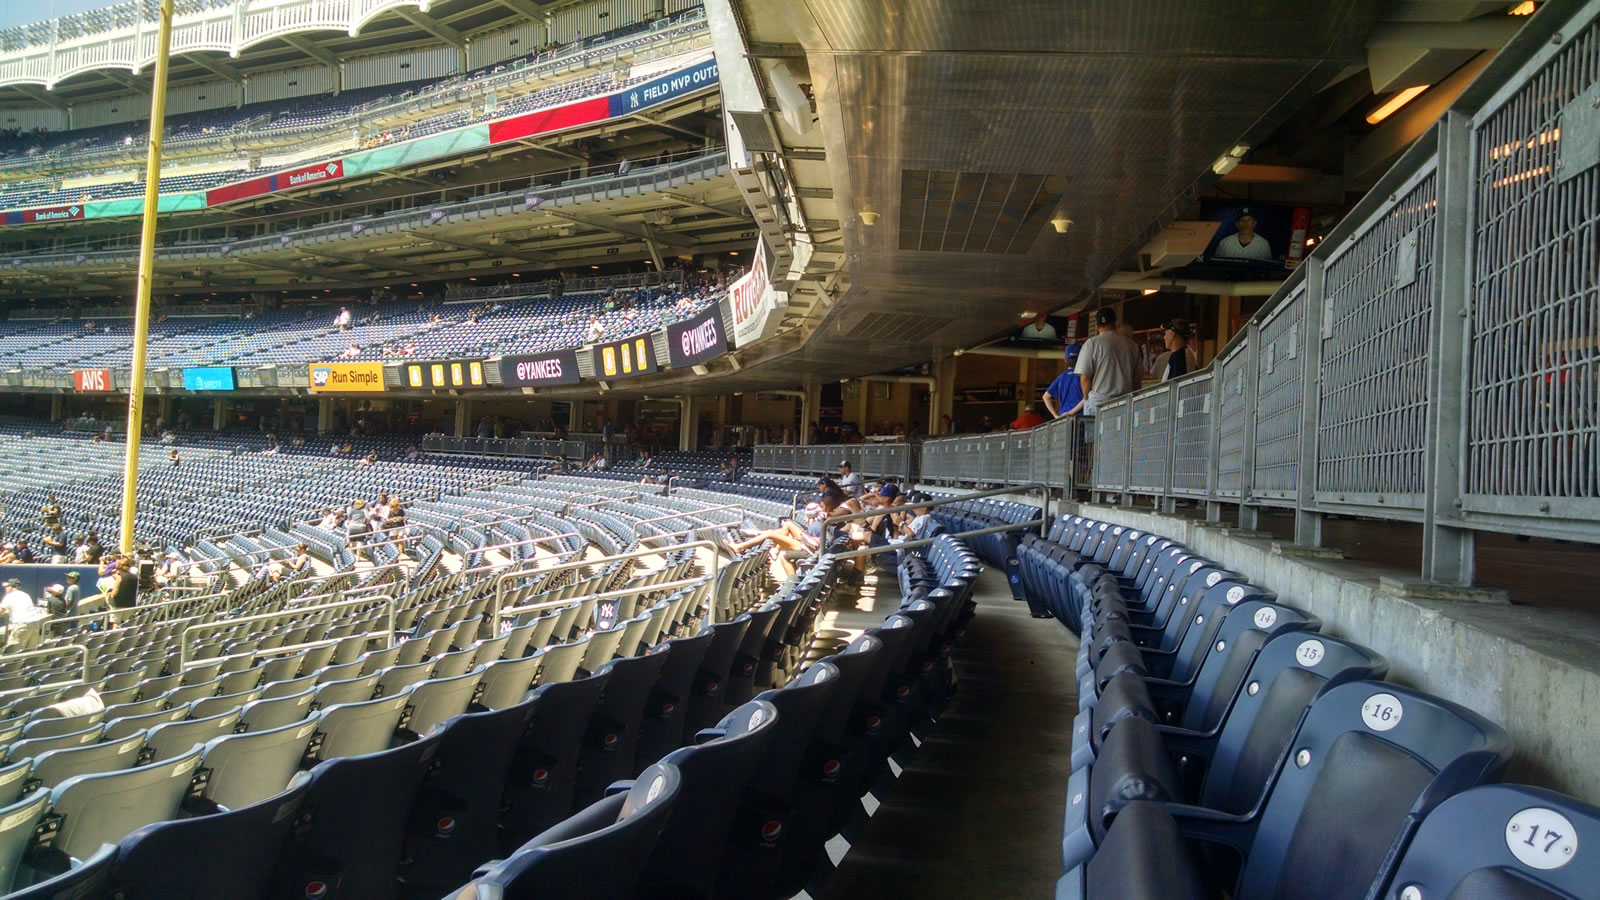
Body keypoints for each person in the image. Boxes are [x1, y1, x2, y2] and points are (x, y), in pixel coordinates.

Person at [1068, 308, 1142, 416]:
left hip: (1099, 403)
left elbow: (1085, 377)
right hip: (1124, 403)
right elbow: (1138, 375)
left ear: (1097, 325)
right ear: (1115, 323)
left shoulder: (1091, 344)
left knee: (1095, 433)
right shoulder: (1131, 345)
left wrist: (1086, 398)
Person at [1, 578, 45, 650]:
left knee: (11, 652)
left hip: (23, 625)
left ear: (11, 587)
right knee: (29, 652)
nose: (5, 588)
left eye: (7, 586)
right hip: (35, 624)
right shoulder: (25, 595)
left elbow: (1, 610)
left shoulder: (10, 595)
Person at [107, 557, 138, 626]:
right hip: (130, 605)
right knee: (127, 626)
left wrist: (109, 594)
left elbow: (114, 593)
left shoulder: (119, 577)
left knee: (115, 625)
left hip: (118, 605)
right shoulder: (134, 577)